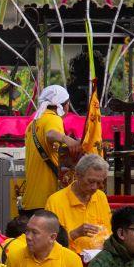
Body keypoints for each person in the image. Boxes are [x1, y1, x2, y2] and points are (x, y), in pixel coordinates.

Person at [21, 85, 81, 213]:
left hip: (30, 199)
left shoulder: (33, 124)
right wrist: (67, 139)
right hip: (47, 198)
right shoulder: (53, 118)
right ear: (65, 105)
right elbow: (50, 134)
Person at [45, 154, 111, 255]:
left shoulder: (100, 196)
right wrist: (75, 234)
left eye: (99, 183)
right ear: (77, 175)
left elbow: (109, 232)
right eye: (91, 181)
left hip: (99, 259)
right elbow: (48, 241)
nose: (94, 187)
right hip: (68, 259)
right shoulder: (55, 201)